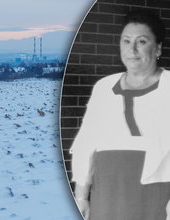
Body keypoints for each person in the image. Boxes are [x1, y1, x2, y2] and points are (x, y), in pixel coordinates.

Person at [70, 9, 170, 220]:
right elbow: (86, 143)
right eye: (126, 41)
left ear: (158, 48)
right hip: (106, 193)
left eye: (141, 41)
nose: (131, 49)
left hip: (155, 195)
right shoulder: (104, 87)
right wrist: (81, 196)